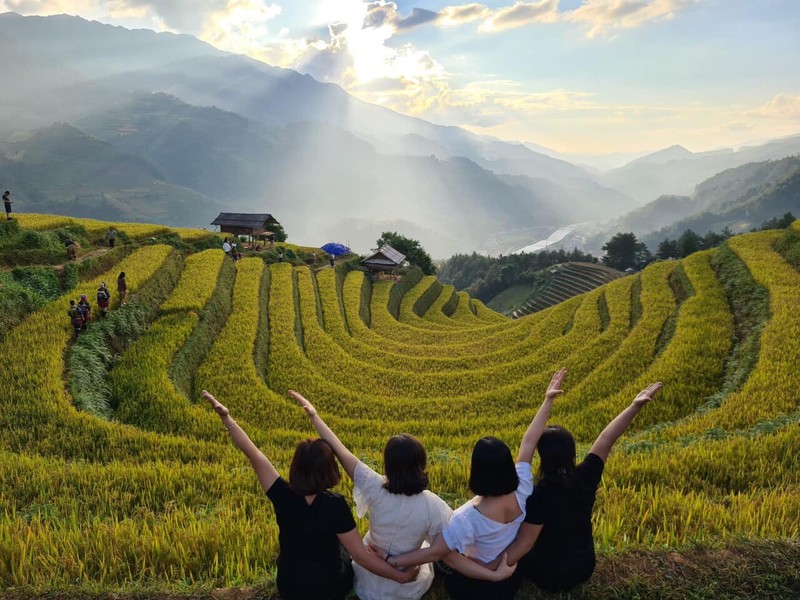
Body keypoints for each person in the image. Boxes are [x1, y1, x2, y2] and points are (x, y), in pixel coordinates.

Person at [202, 390, 420, 600]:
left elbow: (254, 455)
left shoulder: (281, 494)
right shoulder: (335, 505)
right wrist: (399, 576)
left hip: (289, 585)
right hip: (329, 588)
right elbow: (361, 557)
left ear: (296, 466)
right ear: (329, 470)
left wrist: (227, 418)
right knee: (347, 548)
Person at [383, 368, 568, 600]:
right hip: (509, 579)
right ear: (508, 467)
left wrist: (394, 560)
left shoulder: (467, 518)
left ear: (477, 473)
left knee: (446, 557)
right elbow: (529, 442)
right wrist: (547, 400)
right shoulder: (523, 487)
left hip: (475, 585)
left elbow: (436, 553)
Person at [291, 390, 462, 600]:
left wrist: (315, 417)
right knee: (427, 546)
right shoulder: (432, 504)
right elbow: (442, 548)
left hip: (368, 578)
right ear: (421, 464)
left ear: (387, 464)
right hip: (407, 585)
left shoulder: (374, 485)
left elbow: (340, 450)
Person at [494, 382, 664, 593]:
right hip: (584, 567)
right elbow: (606, 438)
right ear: (572, 453)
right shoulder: (586, 476)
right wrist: (634, 406)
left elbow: (525, 545)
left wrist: (494, 564)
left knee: (516, 530)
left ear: (542, 457)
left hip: (550, 576)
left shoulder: (539, 495)